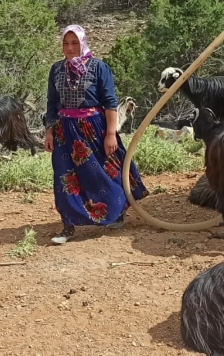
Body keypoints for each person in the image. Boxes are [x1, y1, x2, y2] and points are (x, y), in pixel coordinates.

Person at [43, 25, 148, 244]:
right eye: (65, 43)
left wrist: (111, 133)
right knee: (65, 177)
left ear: (82, 43)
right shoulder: (56, 70)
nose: (70, 48)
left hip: (93, 128)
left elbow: (109, 102)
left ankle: (116, 210)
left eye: (74, 43)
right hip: (64, 131)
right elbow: (52, 104)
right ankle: (68, 225)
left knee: (102, 173)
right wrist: (49, 131)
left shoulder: (99, 67)